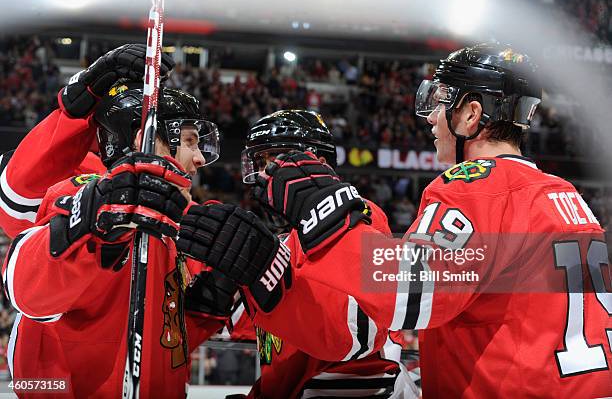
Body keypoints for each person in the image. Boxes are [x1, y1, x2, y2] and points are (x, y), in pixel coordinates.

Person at [179, 43, 612, 398]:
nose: (430, 118)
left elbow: (413, 293)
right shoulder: (566, 195)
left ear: (471, 114)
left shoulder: (472, 185)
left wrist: (329, 217)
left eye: (441, 102)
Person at [1, 82, 235, 398]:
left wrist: (202, 314)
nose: (199, 159)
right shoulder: (82, 195)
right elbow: (26, 292)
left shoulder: (172, 230)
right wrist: (91, 226)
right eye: (190, 142)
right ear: (145, 140)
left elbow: (154, 342)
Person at [179, 110, 418, 398]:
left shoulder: (358, 216)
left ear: (317, 162)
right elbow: (262, 334)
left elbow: (360, 334)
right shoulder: (284, 241)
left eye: (273, 160)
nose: (262, 175)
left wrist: (264, 276)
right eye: (258, 163)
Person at [0, 44, 175, 239]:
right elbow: (18, 206)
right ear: (139, 135)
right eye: (188, 140)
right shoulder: (88, 172)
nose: (199, 158)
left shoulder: (99, 166)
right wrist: (77, 108)